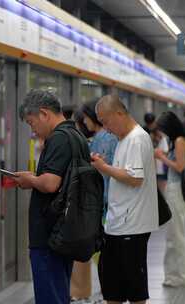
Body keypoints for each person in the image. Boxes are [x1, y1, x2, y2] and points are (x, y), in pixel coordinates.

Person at [13, 89, 83, 304]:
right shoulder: (76, 135)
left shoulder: (58, 139)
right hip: (64, 231)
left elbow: (51, 184)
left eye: (31, 122)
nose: (33, 130)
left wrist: (29, 180)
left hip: (48, 236)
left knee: (50, 297)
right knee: (59, 294)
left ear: (44, 113)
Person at [91, 95, 158, 304]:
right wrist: (106, 165)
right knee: (113, 288)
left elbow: (135, 178)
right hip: (118, 224)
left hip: (132, 227)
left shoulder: (137, 138)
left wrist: (104, 168)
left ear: (119, 114)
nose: (106, 128)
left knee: (134, 289)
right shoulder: (124, 139)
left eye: (105, 121)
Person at [68, 100, 118, 304]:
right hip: (108, 200)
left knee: (103, 255)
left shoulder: (101, 139)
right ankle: (105, 294)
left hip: (102, 202)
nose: (84, 123)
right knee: (103, 256)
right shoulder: (108, 137)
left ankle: (107, 294)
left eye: (85, 119)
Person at [154, 111, 185, 287]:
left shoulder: (179, 141)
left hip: (176, 190)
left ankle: (182, 275)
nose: (160, 132)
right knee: (172, 235)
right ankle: (172, 275)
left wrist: (162, 157)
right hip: (173, 188)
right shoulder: (175, 141)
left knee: (176, 235)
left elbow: (180, 166)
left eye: (161, 129)